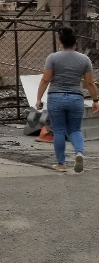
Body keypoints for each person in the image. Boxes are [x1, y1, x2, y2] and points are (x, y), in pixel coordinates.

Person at [35, 27, 99, 172]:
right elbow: (89, 83)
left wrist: (39, 98)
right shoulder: (85, 59)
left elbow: (45, 79)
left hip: (56, 97)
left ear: (60, 41)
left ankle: (61, 164)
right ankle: (79, 153)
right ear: (74, 42)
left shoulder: (52, 58)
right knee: (75, 129)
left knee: (58, 131)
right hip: (76, 98)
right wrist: (95, 100)